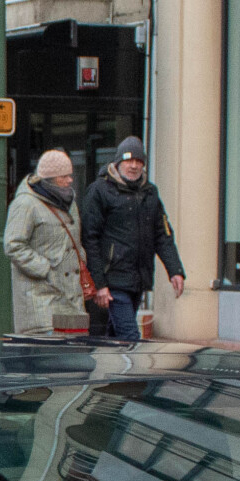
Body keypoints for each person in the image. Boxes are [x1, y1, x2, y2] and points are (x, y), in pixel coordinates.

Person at [80, 137, 186, 341]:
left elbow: (162, 235)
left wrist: (175, 270)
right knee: (130, 338)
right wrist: (100, 284)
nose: (134, 166)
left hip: (138, 280)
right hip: (113, 281)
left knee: (114, 337)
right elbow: (90, 239)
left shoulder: (150, 192)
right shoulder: (100, 191)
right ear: (118, 162)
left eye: (139, 162)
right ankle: (134, 370)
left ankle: (109, 371)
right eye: (129, 161)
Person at [5, 148, 91, 335]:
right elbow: (13, 244)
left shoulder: (70, 202)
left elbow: (74, 239)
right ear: (49, 178)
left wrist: (80, 258)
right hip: (41, 299)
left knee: (75, 357)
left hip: (71, 296)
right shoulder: (26, 204)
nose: (70, 180)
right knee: (47, 355)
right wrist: (45, 269)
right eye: (64, 177)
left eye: (70, 175)